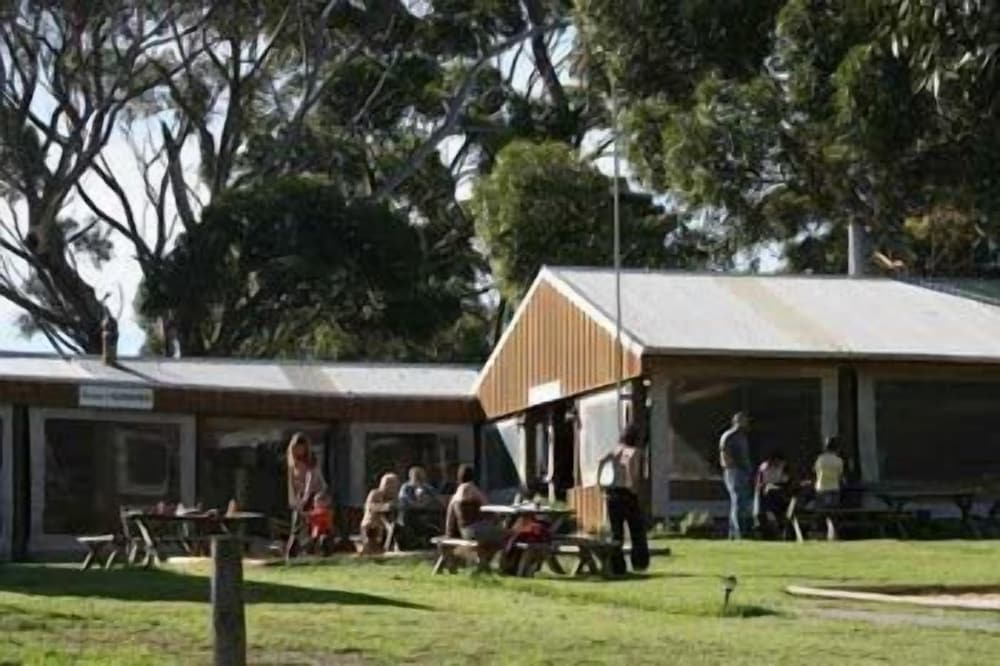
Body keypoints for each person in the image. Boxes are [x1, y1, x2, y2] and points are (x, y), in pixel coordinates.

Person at [602, 424, 650, 575]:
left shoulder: (615, 450)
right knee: (637, 529)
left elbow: (601, 461)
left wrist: (601, 482)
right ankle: (639, 562)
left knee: (616, 533)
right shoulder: (634, 451)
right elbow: (629, 463)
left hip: (612, 493)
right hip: (627, 493)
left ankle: (617, 566)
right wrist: (633, 484)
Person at [445, 465, 507, 568]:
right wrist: (498, 518)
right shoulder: (472, 488)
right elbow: (487, 506)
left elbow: (449, 518)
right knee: (506, 536)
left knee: (491, 540)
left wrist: (449, 534)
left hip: (465, 531)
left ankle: (483, 563)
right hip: (478, 530)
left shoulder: (455, 495)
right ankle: (496, 564)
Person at [285, 432, 327, 558]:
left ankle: (311, 549)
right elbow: (291, 483)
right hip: (302, 495)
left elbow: (311, 482)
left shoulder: (311, 462)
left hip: (317, 494)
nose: (299, 451)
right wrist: (293, 501)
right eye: (296, 448)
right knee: (297, 524)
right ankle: (293, 552)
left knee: (310, 523)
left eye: (301, 448)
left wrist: (304, 500)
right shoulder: (293, 465)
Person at [719, 412, 753, 540]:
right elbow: (724, 454)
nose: (744, 423)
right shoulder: (729, 436)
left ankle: (733, 533)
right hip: (734, 472)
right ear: (735, 421)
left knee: (741, 502)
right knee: (737, 500)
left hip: (744, 471)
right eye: (742, 420)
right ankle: (739, 533)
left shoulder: (743, 437)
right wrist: (731, 467)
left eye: (745, 420)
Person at [360, 473, 401, 554]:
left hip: (387, 526)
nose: (390, 487)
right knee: (372, 524)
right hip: (372, 524)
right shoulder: (375, 494)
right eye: (388, 484)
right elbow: (371, 507)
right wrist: (386, 506)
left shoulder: (395, 497)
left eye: (394, 485)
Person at [754, 450, 790, 536]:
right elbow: (785, 479)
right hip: (770, 492)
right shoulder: (770, 466)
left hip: (769, 491)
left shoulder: (765, 466)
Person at [814, 436, 845, 509]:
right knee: (834, 511)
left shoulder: (820, 459)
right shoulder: (839, 460)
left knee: (821, 512)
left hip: (821, 488)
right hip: (834, 488)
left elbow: (816, 472)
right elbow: (840, 475)